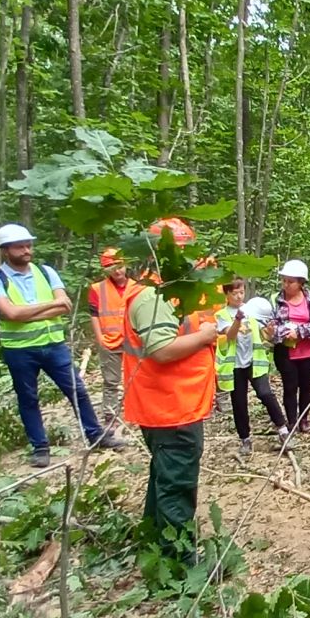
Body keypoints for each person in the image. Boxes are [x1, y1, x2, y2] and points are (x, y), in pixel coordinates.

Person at [121, 217, 221, 563]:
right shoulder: (153, 296)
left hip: (178, 403)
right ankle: (180, 564)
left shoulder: (173, 292)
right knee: (177, 482)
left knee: (165, 474)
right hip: (169, 408)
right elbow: (161, 350)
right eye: (179, 252)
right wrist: (206, 336)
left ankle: (152, 540)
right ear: (157, 253)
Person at [0, 223, 123, 468]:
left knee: (77, 390)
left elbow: (64, 305)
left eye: (29, 245)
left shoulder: (45, 271)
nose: (27, 250)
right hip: (19, 349)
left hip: (54, 345)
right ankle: (40, 447)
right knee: (28, 398)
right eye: (20, 247)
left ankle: (96, 435)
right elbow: (10, 313)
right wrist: (46, 308)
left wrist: (23, 313)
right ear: (5, 250)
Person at [216, 281, 290, 456]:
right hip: (235, 365)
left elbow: (265, 334)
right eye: (235, 293)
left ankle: (283, 431)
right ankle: (245, 439)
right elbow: (230, 334)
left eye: (241, 292)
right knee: (239, 403)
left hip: (255, 362)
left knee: (266, 394)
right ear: (226, 294)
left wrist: (270, 332)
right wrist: (238, 319)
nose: (239, 296)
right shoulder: (222, 314)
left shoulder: (252, 311)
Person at [271, 259, 310, 435]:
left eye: (290, 281)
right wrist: (282, 332)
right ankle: (292, 421)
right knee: (290, 386)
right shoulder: (276, 301)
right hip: (286, 353)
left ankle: (304, 419)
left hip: (308, 353)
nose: (286, 284)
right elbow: (270, 324)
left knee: (306, 386)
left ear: (301, 282)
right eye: (284, 280)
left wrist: (300, 332)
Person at [88, 248, 140, 422]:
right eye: (111, 267)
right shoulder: (97, 289)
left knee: (138, 377)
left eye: (119, 265)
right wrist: (99, 338)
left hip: (134, 339)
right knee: (111, 381)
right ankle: (110, 414)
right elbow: (94, 314)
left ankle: (137, 411)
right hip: (110, 341)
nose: (117, 270)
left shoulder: (138, 286)